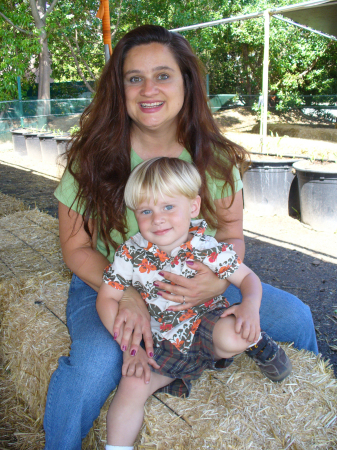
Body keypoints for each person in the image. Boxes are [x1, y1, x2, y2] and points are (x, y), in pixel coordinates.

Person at [44, 24, 318, 450]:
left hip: (196, 286)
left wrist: (218, 280)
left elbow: (230, 236)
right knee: (95, 367)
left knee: (296, 317)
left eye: (163, 75)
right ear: (120, 89)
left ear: (186, 82)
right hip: (109, 283)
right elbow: (75, 247)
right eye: (134, 78)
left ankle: (315, 417)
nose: (148, 89)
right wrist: (130, 293)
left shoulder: (216, 157)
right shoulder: (90, 159)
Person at [96, 157, 292, 449]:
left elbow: (248, 278)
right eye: (146, 210)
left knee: (235, 335)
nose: (157, 219)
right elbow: (107, 298)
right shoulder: (130, 254)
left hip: (205, 325)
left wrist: (250, 305)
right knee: (132, 386)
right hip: (160, 341)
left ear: (193, 207)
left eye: (168, 207)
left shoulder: (207, 248)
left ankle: (257, 341)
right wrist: (131, 349)